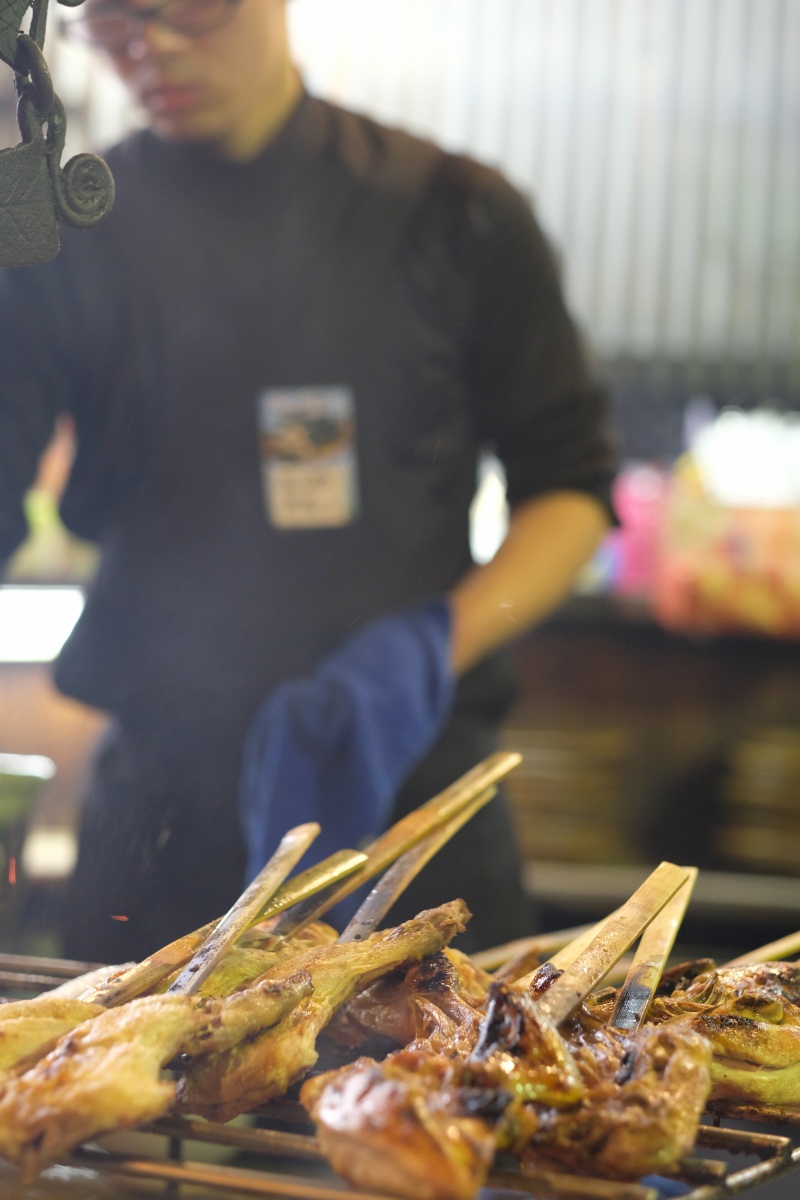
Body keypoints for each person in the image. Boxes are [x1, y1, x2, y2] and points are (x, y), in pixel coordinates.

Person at [0, 0, 615, 962]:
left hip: (414, 803)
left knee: (439, 1104)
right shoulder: (73, 230)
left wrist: (432, 647)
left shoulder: (456, 213)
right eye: (114, 22)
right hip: (160, 822)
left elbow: (571, 490)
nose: (148, 47)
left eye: (187, 11)